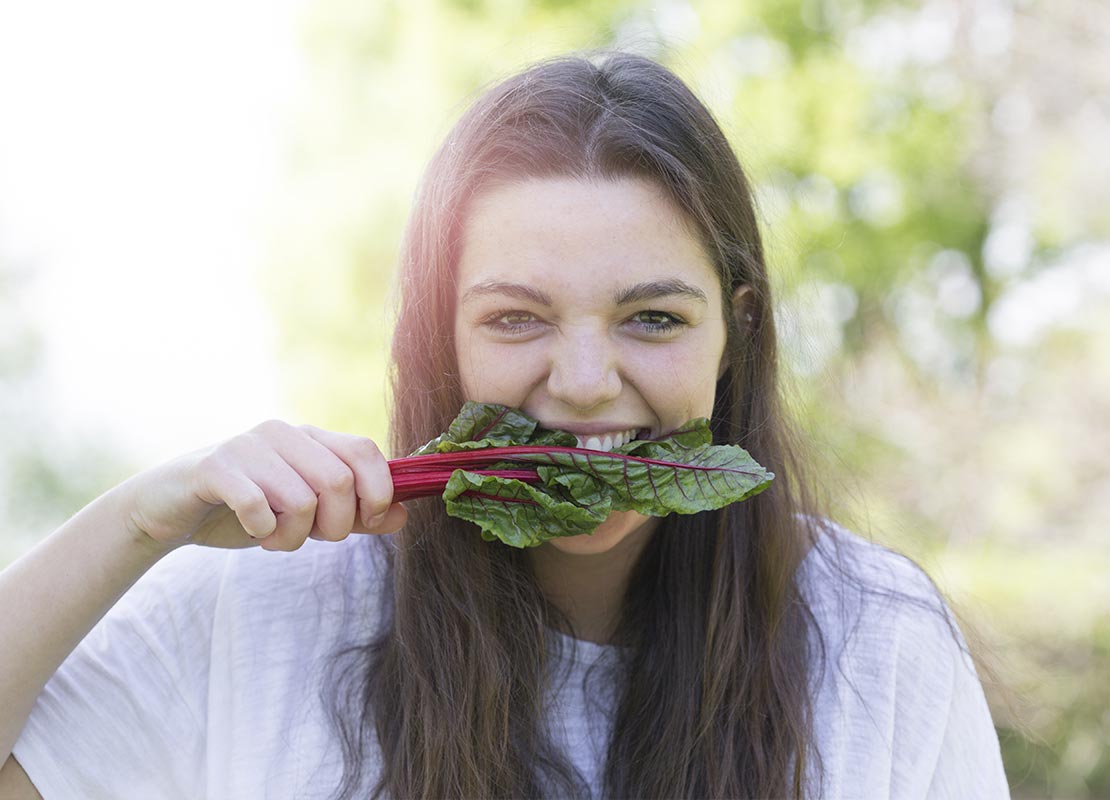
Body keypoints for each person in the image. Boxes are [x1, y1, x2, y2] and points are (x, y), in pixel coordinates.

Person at [0, 51, 1009, 799]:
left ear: (736, 329)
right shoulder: (260, 604)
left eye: (651, 317)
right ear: (440, 339)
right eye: (514, 318)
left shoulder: (878, 640)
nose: (580, 382)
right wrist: (143, 518)